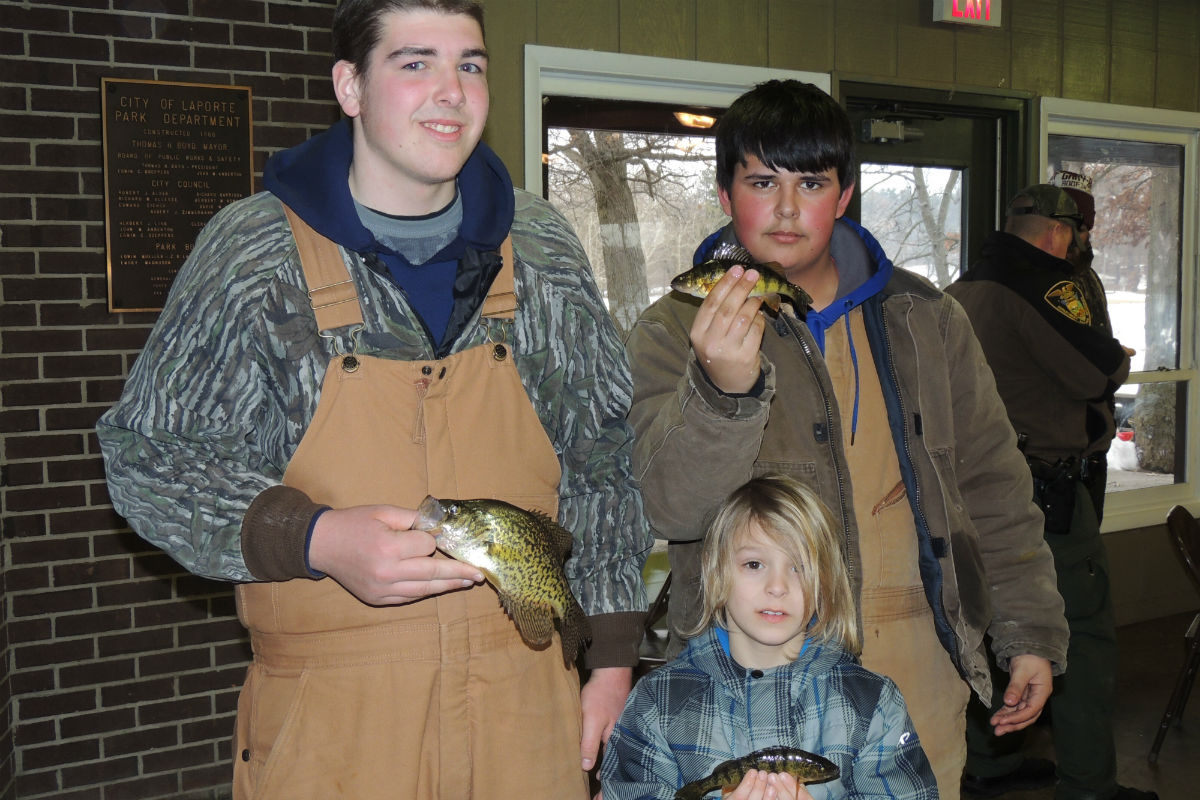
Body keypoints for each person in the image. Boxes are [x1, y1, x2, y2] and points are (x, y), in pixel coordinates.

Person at [95, 1, 652, 797]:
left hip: (524, 716)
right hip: (337, 733)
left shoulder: (539, 248)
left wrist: (611, 657)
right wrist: (316, 539)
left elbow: (600, 458)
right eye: (415, 63)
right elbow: (151, 459)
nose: (452, 91)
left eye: (470, 64)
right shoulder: (255, 253)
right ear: (349, 87)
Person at [625, 79, 1069, 800]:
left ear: (846, 192)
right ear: (725, 193)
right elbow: (669, 508)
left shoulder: (931, 319)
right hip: (751, 693)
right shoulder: (671, 329)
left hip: (920, 666)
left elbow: (993, 486)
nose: (790, 207)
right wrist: (722, 392)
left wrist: (1029, 632)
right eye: (763, 181)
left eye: (812, 181)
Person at [948, 186, 1155, 800]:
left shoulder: (964, 287)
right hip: (1044, 495)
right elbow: (1096, 370)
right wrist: (1115, 357)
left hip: (975, 491)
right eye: (1079, 231)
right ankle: (1090, 782)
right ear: (1057, 233)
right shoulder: (1042, 286)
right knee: (1079, 632)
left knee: (988, 626)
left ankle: (989, 763)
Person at [600, 475, 938, 800]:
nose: (777, 586)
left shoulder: (873, 703)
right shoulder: (657, 701)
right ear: (715, 571)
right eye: (754, 564)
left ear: (825, 581)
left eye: (800, 566)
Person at [1050, 170, 1119, 524]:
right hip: (1055, 452)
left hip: (1093, 444)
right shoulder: (1045, 283)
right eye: (1071, 226)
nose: (1080, 237)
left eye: (1085, 227)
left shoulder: (1088, 277)